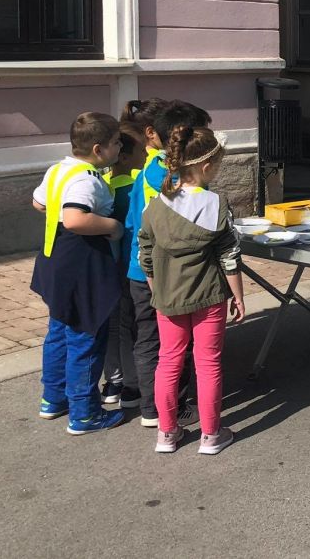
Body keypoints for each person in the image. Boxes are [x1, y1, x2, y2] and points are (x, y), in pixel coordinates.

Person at [138, 125, 245, 455]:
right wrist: (238, 296)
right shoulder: (216, 204)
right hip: (209, 296)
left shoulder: (155, 206)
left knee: (168, 362)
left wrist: (157, 290)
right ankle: (211, 435)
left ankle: (166, 434)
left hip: (168, 296)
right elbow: (229, 255)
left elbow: (145, 255)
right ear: (206, 166)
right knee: (208, 363)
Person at [30, 112, 125, 434]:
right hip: (82, 267)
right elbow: (74, 219)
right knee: (86, 336)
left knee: (59, 331)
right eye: (116, 143)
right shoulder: (87, 179)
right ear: (98, 149)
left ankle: (53, 398)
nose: (120, 148)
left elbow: (38, 203)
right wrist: (113, 227)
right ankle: (85, 414)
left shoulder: (58, 169)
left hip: (54, 259)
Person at [125, 100, 212, 428]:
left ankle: (150, 407)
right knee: (177, 344)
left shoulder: (147, 170)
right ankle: (172, 408)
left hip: (139, 269)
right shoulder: (182, 180)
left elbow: (132, 221)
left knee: (149, 338)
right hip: (171, 273)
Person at [101, 122, 145, 410]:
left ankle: (112, 382)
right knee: (131, 327)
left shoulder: (101, 184)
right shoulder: (134, 188)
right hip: (129, 266)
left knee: (112, 325)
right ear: (125, 156)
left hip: (106, 266)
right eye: (142, 151)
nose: (146, 155)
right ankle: (132, 385)